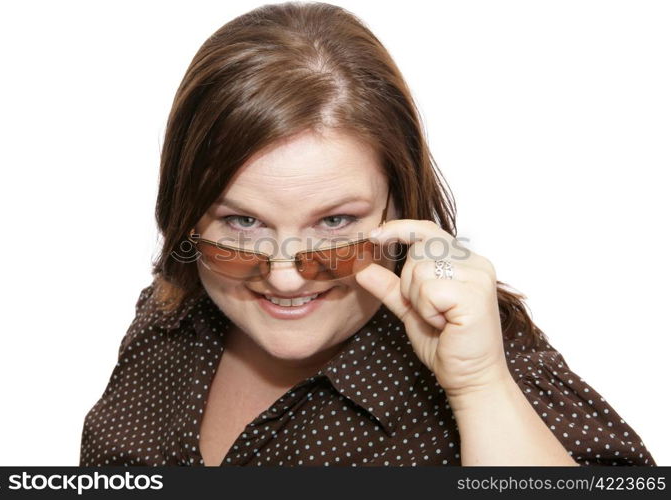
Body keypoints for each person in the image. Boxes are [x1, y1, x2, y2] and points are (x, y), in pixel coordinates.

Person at [79, 1, 656, 466]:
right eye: (242, 221)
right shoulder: (170, 319)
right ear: (187, 209)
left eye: (334, 222)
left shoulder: (501, 376)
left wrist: (480, 387)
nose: (282, 275)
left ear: (399, 205)